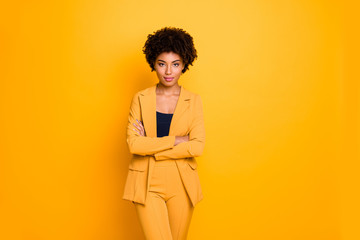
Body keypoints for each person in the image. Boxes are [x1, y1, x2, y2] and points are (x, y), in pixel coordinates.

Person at [123, 26, 205, 240]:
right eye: (162, 64)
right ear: (154, 64)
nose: (168, 72)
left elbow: (197, 146)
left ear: (184, 64)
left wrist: (152, 145)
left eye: (175, 64)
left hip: (182, 183)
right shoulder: (140, 98)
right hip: (146, 182)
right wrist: (176, 140)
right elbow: (134, 145)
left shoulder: (194, 101)